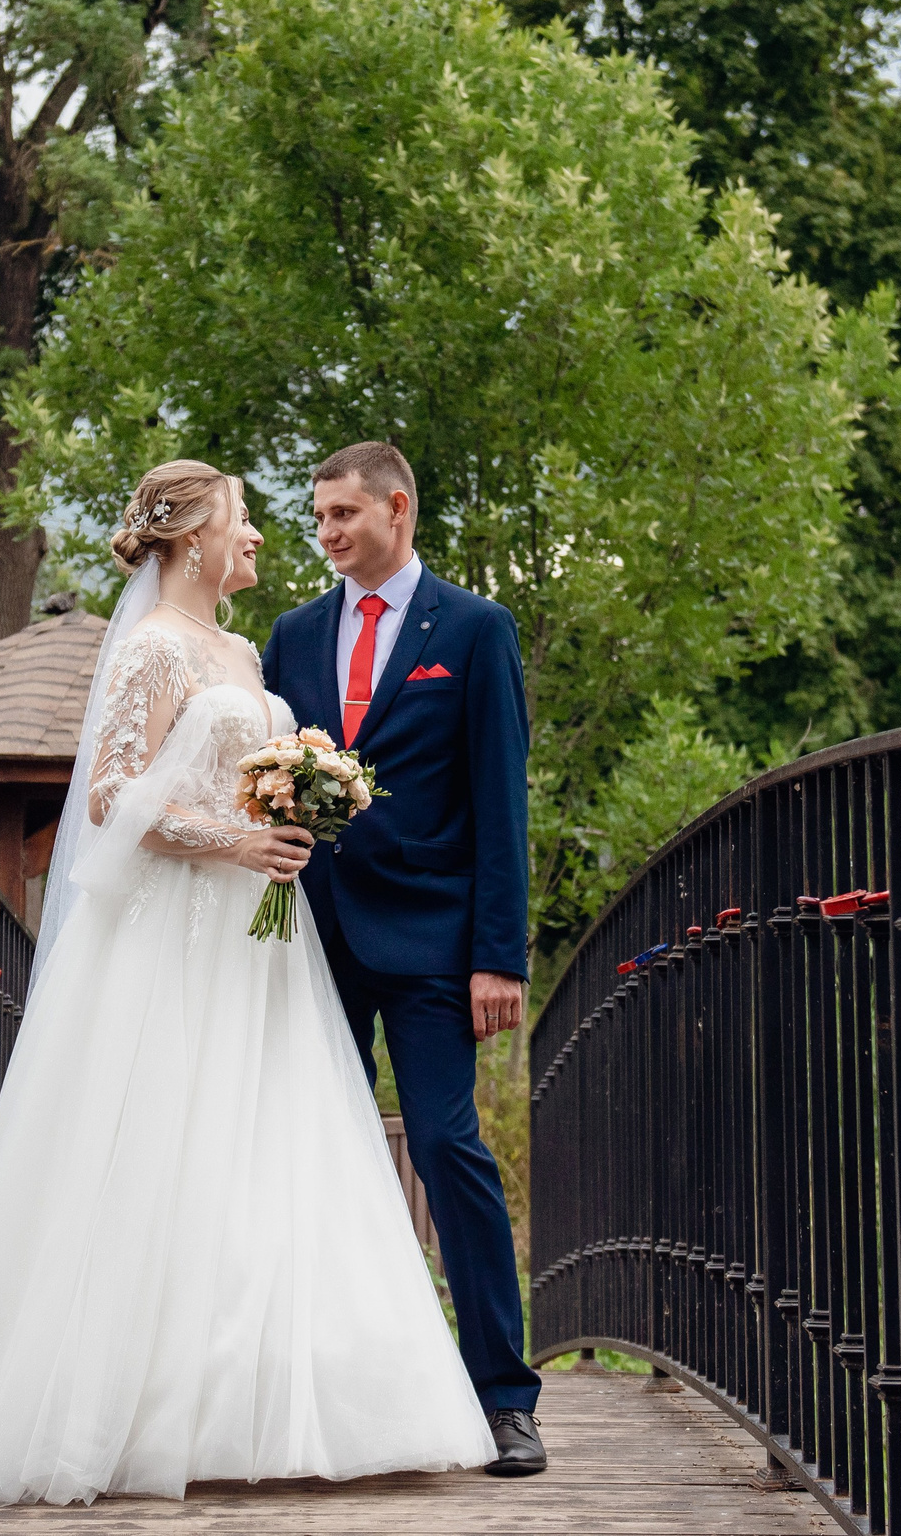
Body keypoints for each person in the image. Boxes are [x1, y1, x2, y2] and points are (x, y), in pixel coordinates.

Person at [0, 459, 495, 1505]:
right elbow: (110, 798)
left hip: (259, 945)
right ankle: (141, 1408)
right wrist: (236, 841)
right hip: (178, 935)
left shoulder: (243, 650)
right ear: (195, 535)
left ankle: (278, 1399)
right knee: (166, 1141)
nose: (258, 537)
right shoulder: (152, 645)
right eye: (243, 520)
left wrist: (294, 812)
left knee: (268, 1146)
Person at [260, 440, 548, 1476]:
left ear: (397, 508)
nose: (327, 532)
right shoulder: (292, 635)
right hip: (310, 938)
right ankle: (324, 1392)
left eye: (343, 513)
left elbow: (500, 799)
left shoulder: (473, 628)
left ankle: (504, 1396)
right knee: (305, 1150)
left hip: (432, 940)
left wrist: (498, 956)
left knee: (444, 1144)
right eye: (318, 517)